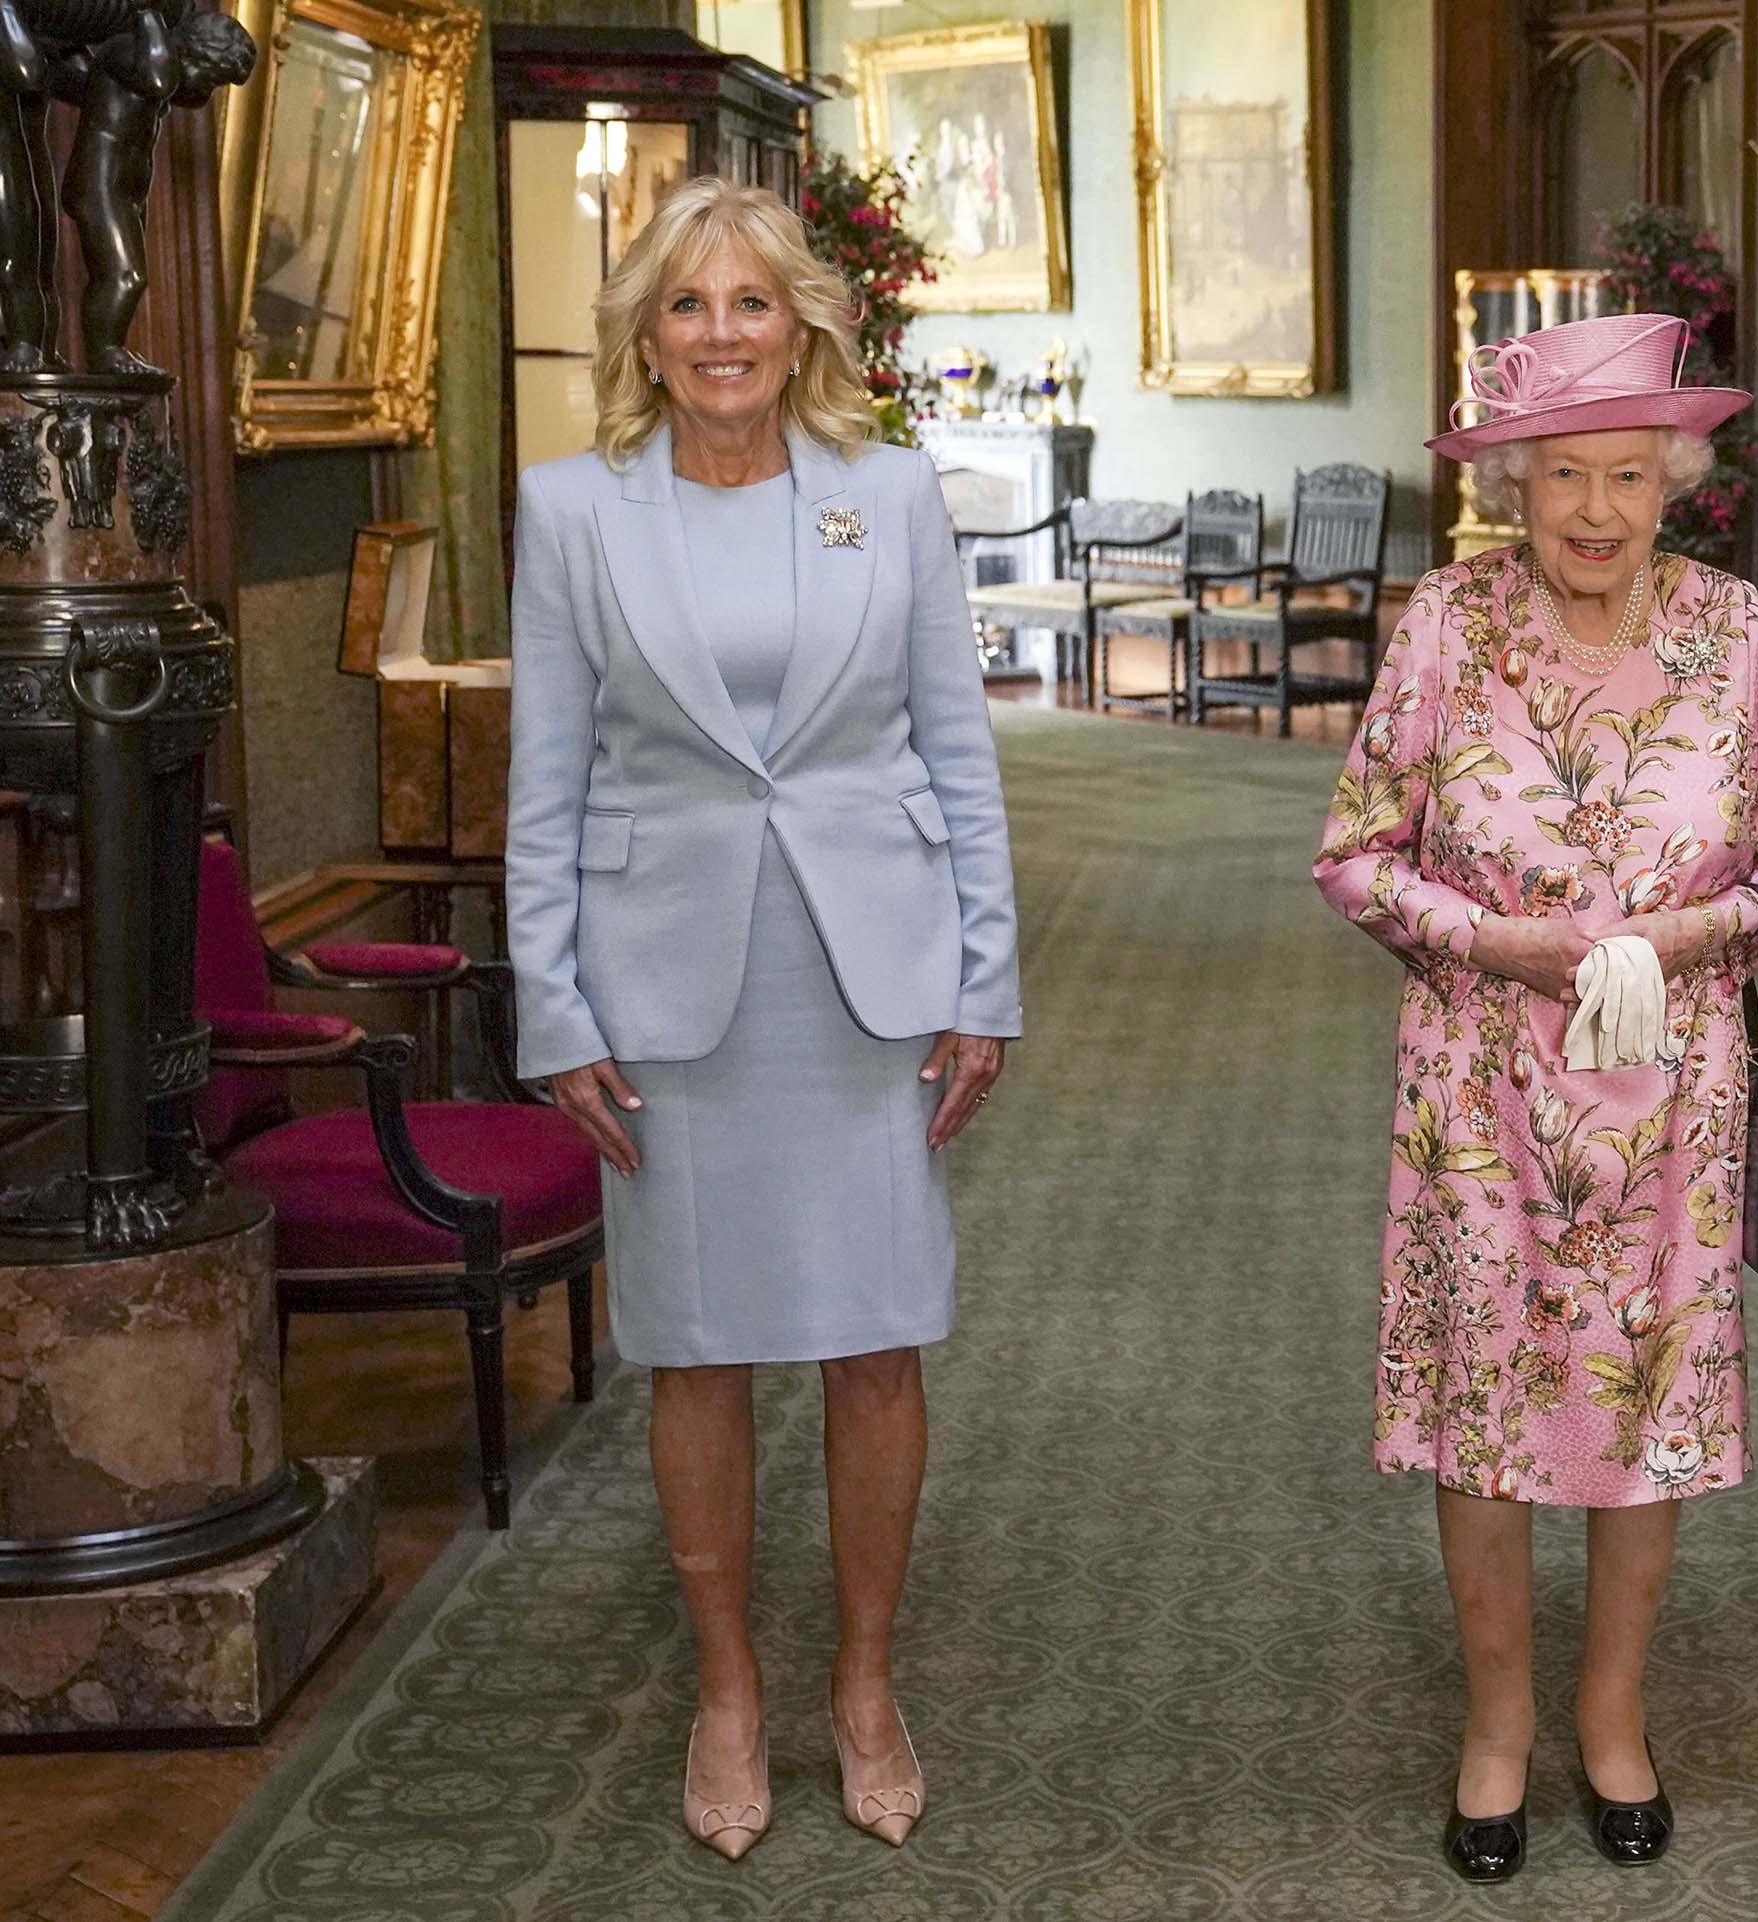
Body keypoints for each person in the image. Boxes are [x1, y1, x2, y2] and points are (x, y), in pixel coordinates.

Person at [506, 175, 1021, 1860]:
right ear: (644, 334)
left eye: (749, 303)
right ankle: (728, 1684)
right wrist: (553, 1005)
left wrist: (983, 980)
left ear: (802, 319)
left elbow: (959, 750)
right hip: (667, 992)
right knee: (699, 1345)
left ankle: (863, 1680)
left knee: (877, 1338)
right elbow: (549, 783)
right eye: (685, 306)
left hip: (869, 979)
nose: (721, 335)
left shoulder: (891, 495)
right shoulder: (573, 510)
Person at [1315, 314, 1758, 1882]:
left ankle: (1613, 1712)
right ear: (1516, 487)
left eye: (1627, 473)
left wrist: (1686, 935)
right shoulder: (1444, 622)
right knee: (1490, 1411)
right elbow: (1355, 850)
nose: (1597, 509)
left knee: (1644, 1404)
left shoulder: (1734, 628)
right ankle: (1497, 1724)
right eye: (1564, 478)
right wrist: (1499, 939)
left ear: (1674, 478)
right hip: (1482, 1089)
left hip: (1672, 1093)